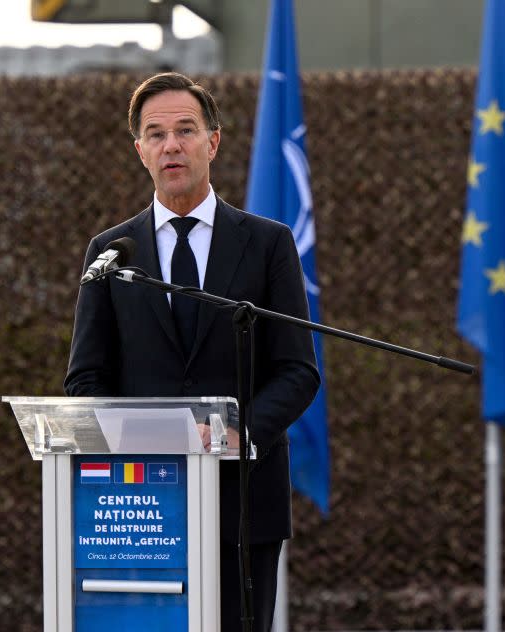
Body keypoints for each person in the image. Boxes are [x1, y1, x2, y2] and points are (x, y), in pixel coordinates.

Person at [65, 72, 320, 632]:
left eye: (185, 130)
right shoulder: (110, 253)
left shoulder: (268, 243)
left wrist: (242, 433)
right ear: (140, 152)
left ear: (214, 141)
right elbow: (85, 378)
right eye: (156, 135)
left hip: (243, 507)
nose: (171, 145)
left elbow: (298, 370)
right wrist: (137, 441)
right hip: (141, 510)